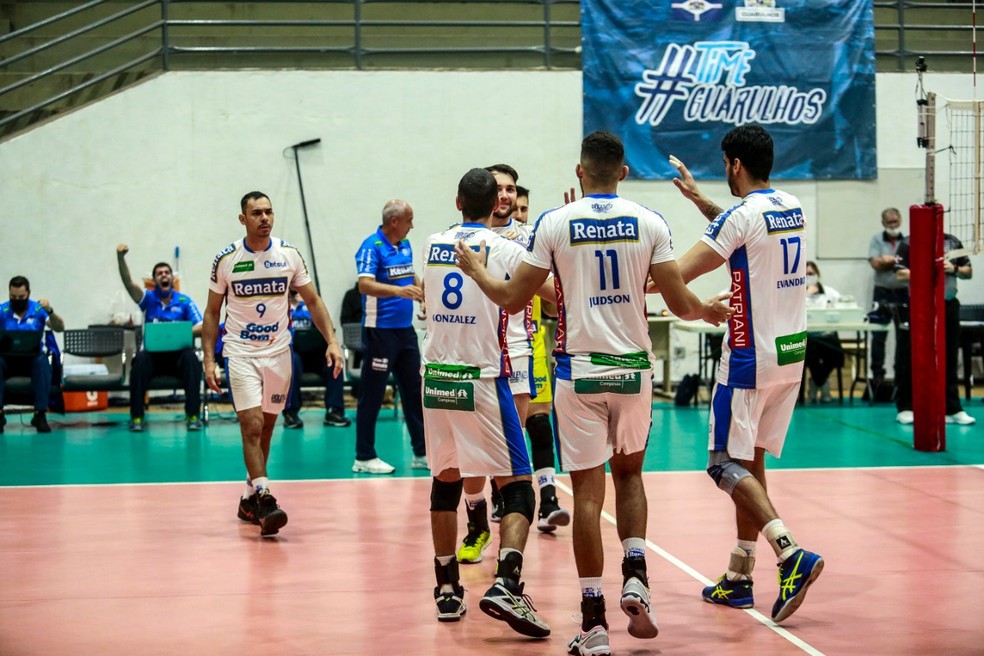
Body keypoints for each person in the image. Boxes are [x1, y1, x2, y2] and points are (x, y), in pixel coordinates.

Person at [456, 131, 732, 655]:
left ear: (580, 173)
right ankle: (636, 578)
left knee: (587, 494)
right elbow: (678, 302)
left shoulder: (554, 224)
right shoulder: (650, 222)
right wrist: (708, 311)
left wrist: (478, 271)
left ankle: (594, 624)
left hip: (577, 373)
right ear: (623, 173)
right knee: (630, 475)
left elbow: (515, 300)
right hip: (633, 371)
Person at [667, 124, 825, 625]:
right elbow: (740, 228)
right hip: (789, 354)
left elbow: (680, 273)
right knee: (750, 463)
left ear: (735, 164)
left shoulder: (741, 216)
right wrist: (700, 201)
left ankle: (789, 552)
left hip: (748, 356)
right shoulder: (791, 205)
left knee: (721, 464)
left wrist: (616, 277)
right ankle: (739, 577)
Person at [422, 167, 551, 637]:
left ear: (458, 202)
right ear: (498, 202)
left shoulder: (431, 243)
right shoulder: (508, 250)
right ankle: (507, 582)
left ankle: (447, 587)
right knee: (518, 486)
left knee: (446, 480)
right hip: (482, 376)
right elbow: (554, 296)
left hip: (435, 377)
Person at [202, 191, 344, 538]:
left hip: (279, 353)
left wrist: (333, 341)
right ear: (243, 219)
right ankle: (265, 497)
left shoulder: (289, 255)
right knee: (250, 426)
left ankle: (248, 497)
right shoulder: (227, 259)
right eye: (256, 213)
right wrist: (209, 359)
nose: (264, 218)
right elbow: (211, 312)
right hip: (240, 352)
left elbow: (313, 300)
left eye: (268, 212)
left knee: (266, 427)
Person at [456, 166, 569, 570]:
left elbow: (559, 287)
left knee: (515, 439)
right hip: (477, 354)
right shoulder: (462, 239)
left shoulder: (531, 237)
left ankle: (525, 506)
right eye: (498, 189)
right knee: (476, 447)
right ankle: (476, 521)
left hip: (520, 349)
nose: (504, 196)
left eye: (510, 189)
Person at [353, 199, 427, 474]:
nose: (412, 225)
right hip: (379, 332)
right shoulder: (372, 246)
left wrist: (422, 296)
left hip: (404, 332)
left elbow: (409, 274)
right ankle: (364, 456)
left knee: (414, 391)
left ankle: (421, 452)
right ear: (394, 221)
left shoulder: (404, 244)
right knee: (372, 395)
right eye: (409, 220)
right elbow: (364, 284)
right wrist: (399, 292)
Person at [116, 245, 204, 432]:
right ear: (154, 280)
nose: (163, 275)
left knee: (192, 358)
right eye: (159, 273)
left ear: (172, 278)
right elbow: (128, 284)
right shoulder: (148, 299)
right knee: (139, 360)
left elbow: (203, 326)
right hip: (154, 358)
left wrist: (182, 332)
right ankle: (137, 417)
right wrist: (120, 257)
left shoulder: (184, 301)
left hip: (179, 357)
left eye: (167, 272)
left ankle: (193, 415)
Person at [893, 233, 975, 425]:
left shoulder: (953, 241)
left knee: (950, 356)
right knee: (913, 355)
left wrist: (953, 268)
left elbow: (968, 272)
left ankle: (952, 408)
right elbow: (900, 274)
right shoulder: (909, 242)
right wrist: (929, 270)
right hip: (921, 305)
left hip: (948, 304)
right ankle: (906, 406)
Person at [0, 276, 64, 433]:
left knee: (42, 361)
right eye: (13, 297)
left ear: (28, 293)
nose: (17, 300)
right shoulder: (2, 311)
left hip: (32, 360)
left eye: (21, 297)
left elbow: (59, 327)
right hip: (8, 361)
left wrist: (50, 310)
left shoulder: (38, 310)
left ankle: (39, 414)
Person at [282, 290, 351, 429]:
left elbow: (325, 328)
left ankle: (334, 411)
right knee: (291, 362)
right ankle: (291, 413)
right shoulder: (280, 306)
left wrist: (307, 305)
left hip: (315, 353)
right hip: (293, 352)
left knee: (333, 362)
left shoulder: (310, 304)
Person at [868, 208, 907, 387]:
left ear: (900, 220)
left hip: (903, 292)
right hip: (882, 292)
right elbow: (875, 263)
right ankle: (877, 376)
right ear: (884, 223)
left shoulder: (906, 241)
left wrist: (888, 260)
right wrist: (896, 260)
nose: (893, 225)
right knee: (878, 335)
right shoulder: (877, 239)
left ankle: (901, 375)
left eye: (896, 222)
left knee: (903, 335)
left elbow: (909, 263)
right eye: (890, 223)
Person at [804, 260, 844, 404]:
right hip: (808, 338)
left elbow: (842, 307)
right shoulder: (796, 294)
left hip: (827, 336)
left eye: (811, 274)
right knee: (810, 352)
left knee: (838, 355)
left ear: (817, 274)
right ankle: (822, 384)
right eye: (806, 274)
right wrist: (807, 294)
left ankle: (816, 381)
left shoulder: (830, 292)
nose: (809, 276)